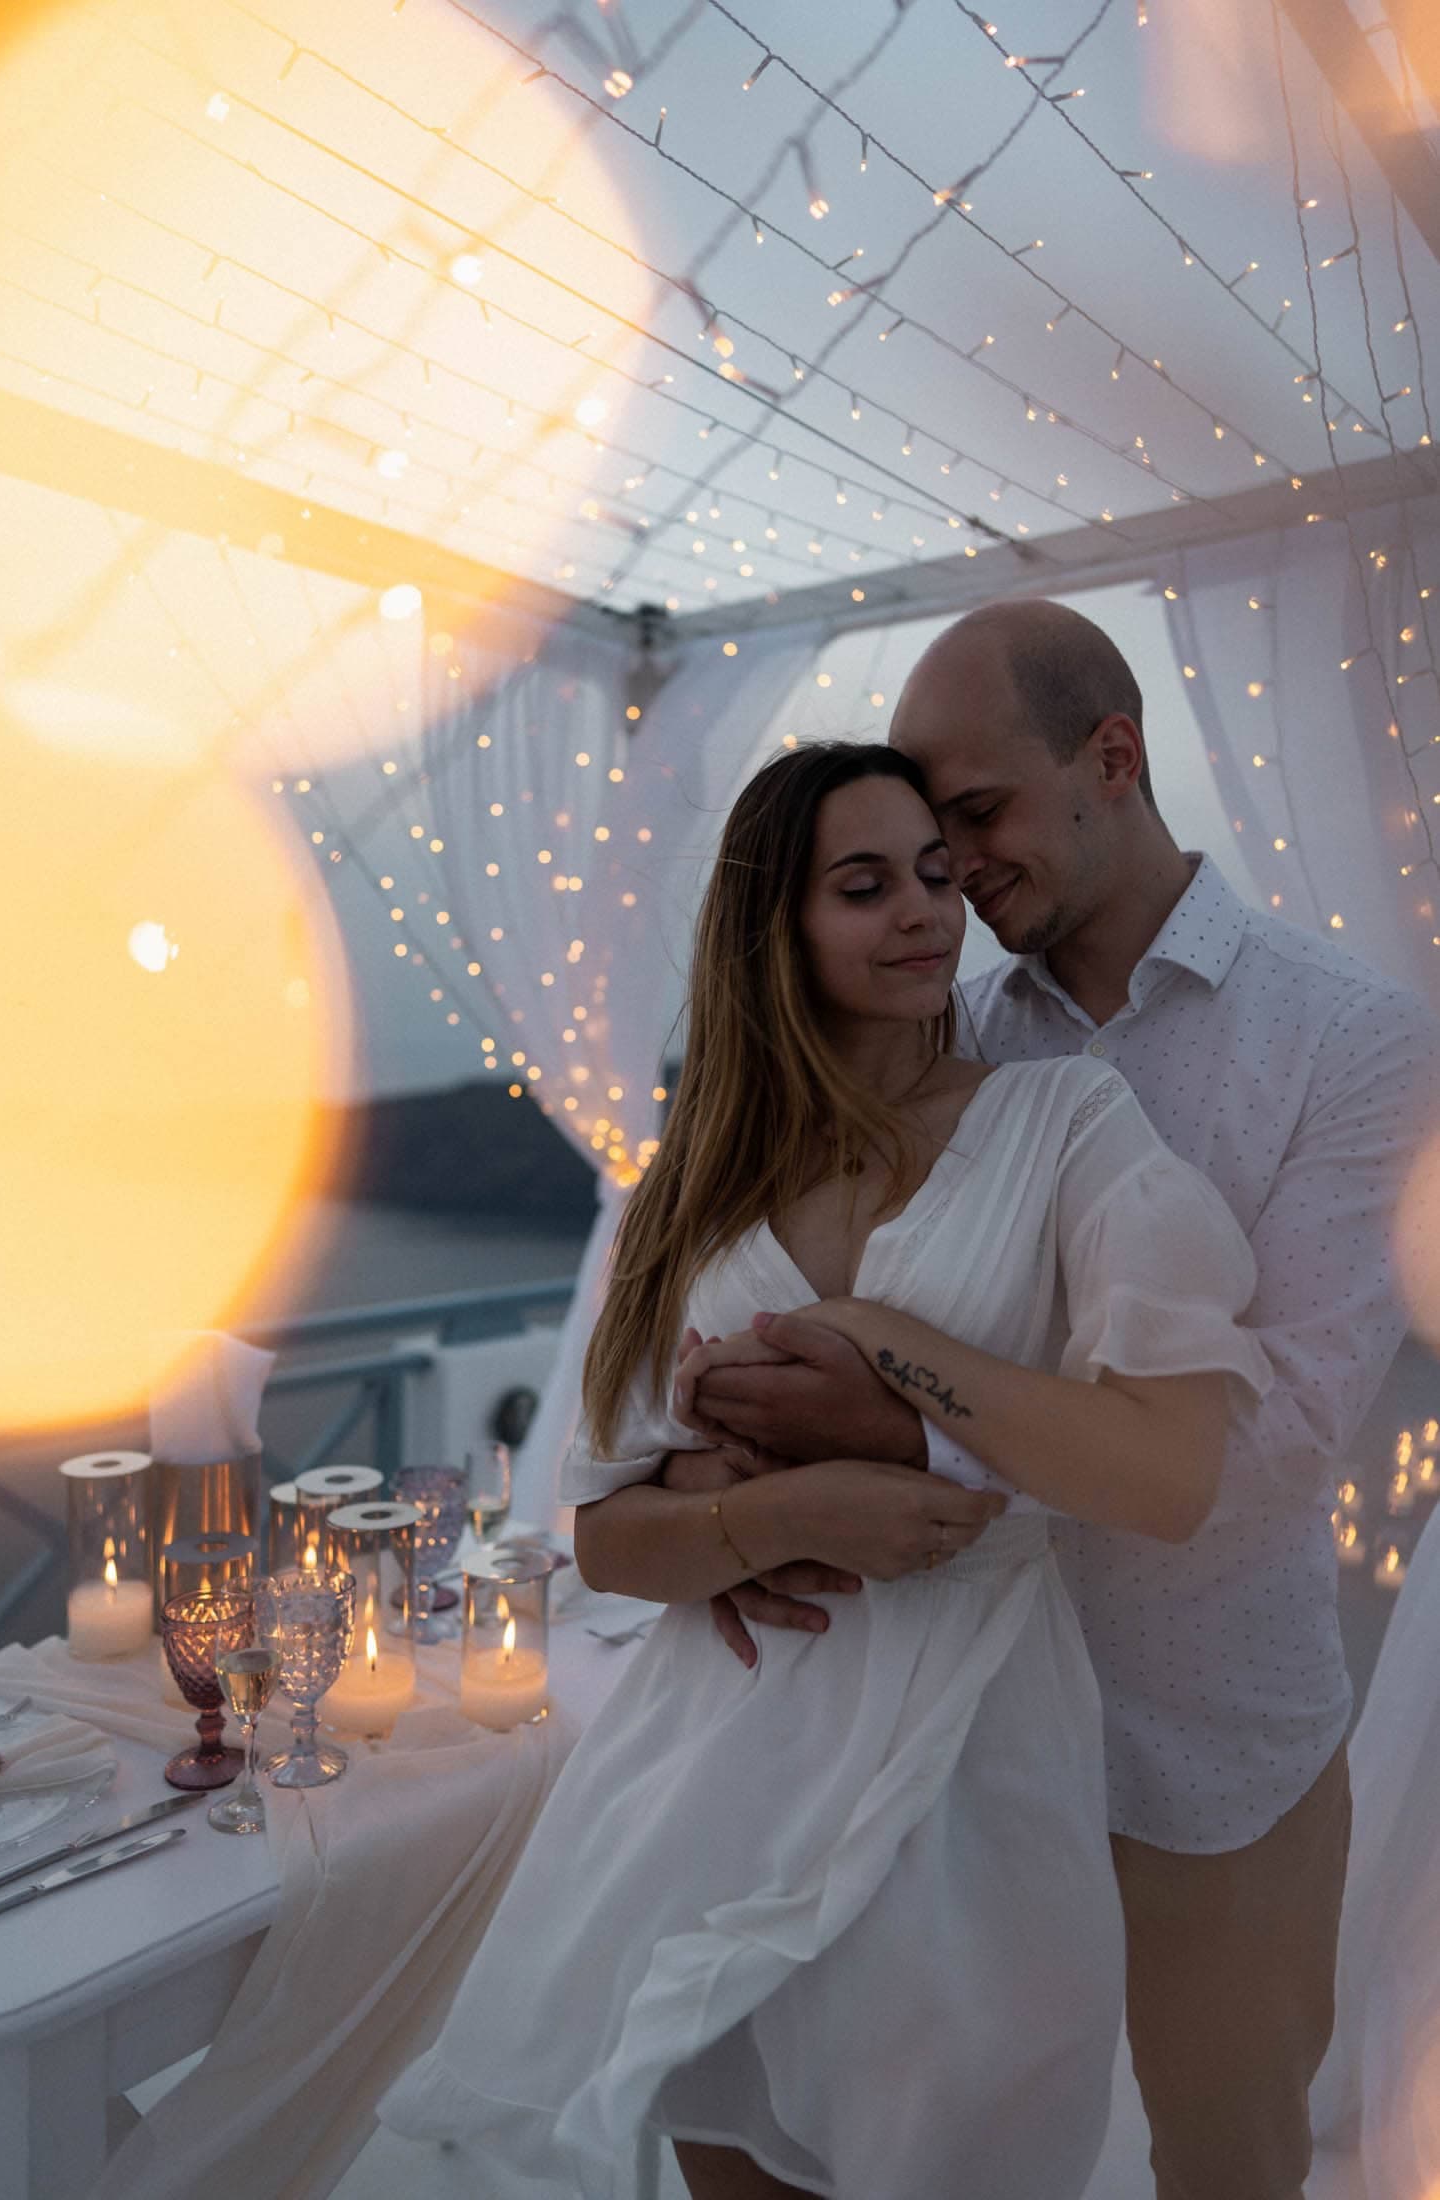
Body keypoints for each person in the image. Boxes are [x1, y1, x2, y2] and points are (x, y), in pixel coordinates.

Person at [380, 739, 1271, 2200]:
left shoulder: (1063, 1127)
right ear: (773, 928)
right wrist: (772, 1514)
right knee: (726, 2147)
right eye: (866, 886)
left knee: (967, 2144)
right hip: (710, 1765)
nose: (926, 911)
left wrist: (884, 1348)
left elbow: (1169, 1479)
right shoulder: (693, 1187)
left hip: (966, 1767)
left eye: (936, 874)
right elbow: (606, 1535)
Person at [678, 599, 1439, 2200]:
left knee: (1225, 2166)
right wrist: (731, 1508)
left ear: (1114, 758)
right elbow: (773, 1290)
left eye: (976, 815)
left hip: (1205, 1755)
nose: (947, 872)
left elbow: (1275, 1442)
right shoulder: (933, 1022)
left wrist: (890, 1442)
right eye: (916, 844)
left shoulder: (1357, 1040)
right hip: (934, 1752)